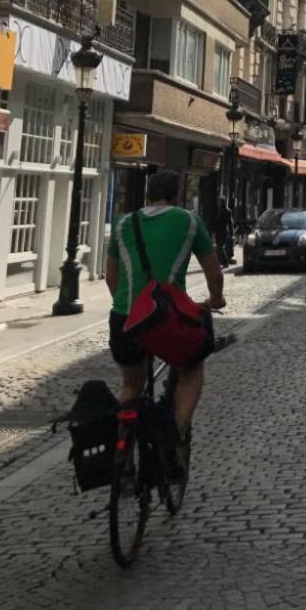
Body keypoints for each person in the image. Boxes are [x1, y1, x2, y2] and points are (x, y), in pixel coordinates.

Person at [105, 170, 226, 447]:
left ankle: (120, 454)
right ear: (176, 195)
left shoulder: (123, 223)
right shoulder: (189, 221)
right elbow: (214, 275)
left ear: (148, 194)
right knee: (191, 368)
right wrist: (215, 299)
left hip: (125, 318)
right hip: (167, 319)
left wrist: (132, 307)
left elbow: (111, 278)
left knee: (131, 385)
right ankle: (174, 436)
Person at [213, 198, 235, 268]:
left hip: (223, 230)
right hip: (218, 230)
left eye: (221, 202)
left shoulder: (227, 211)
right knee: (219, 247)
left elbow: (230, 223)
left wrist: (232, 233)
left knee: (220, 246)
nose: (219, 203)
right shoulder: (217, 210)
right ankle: (221, 262)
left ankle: (224, 262)